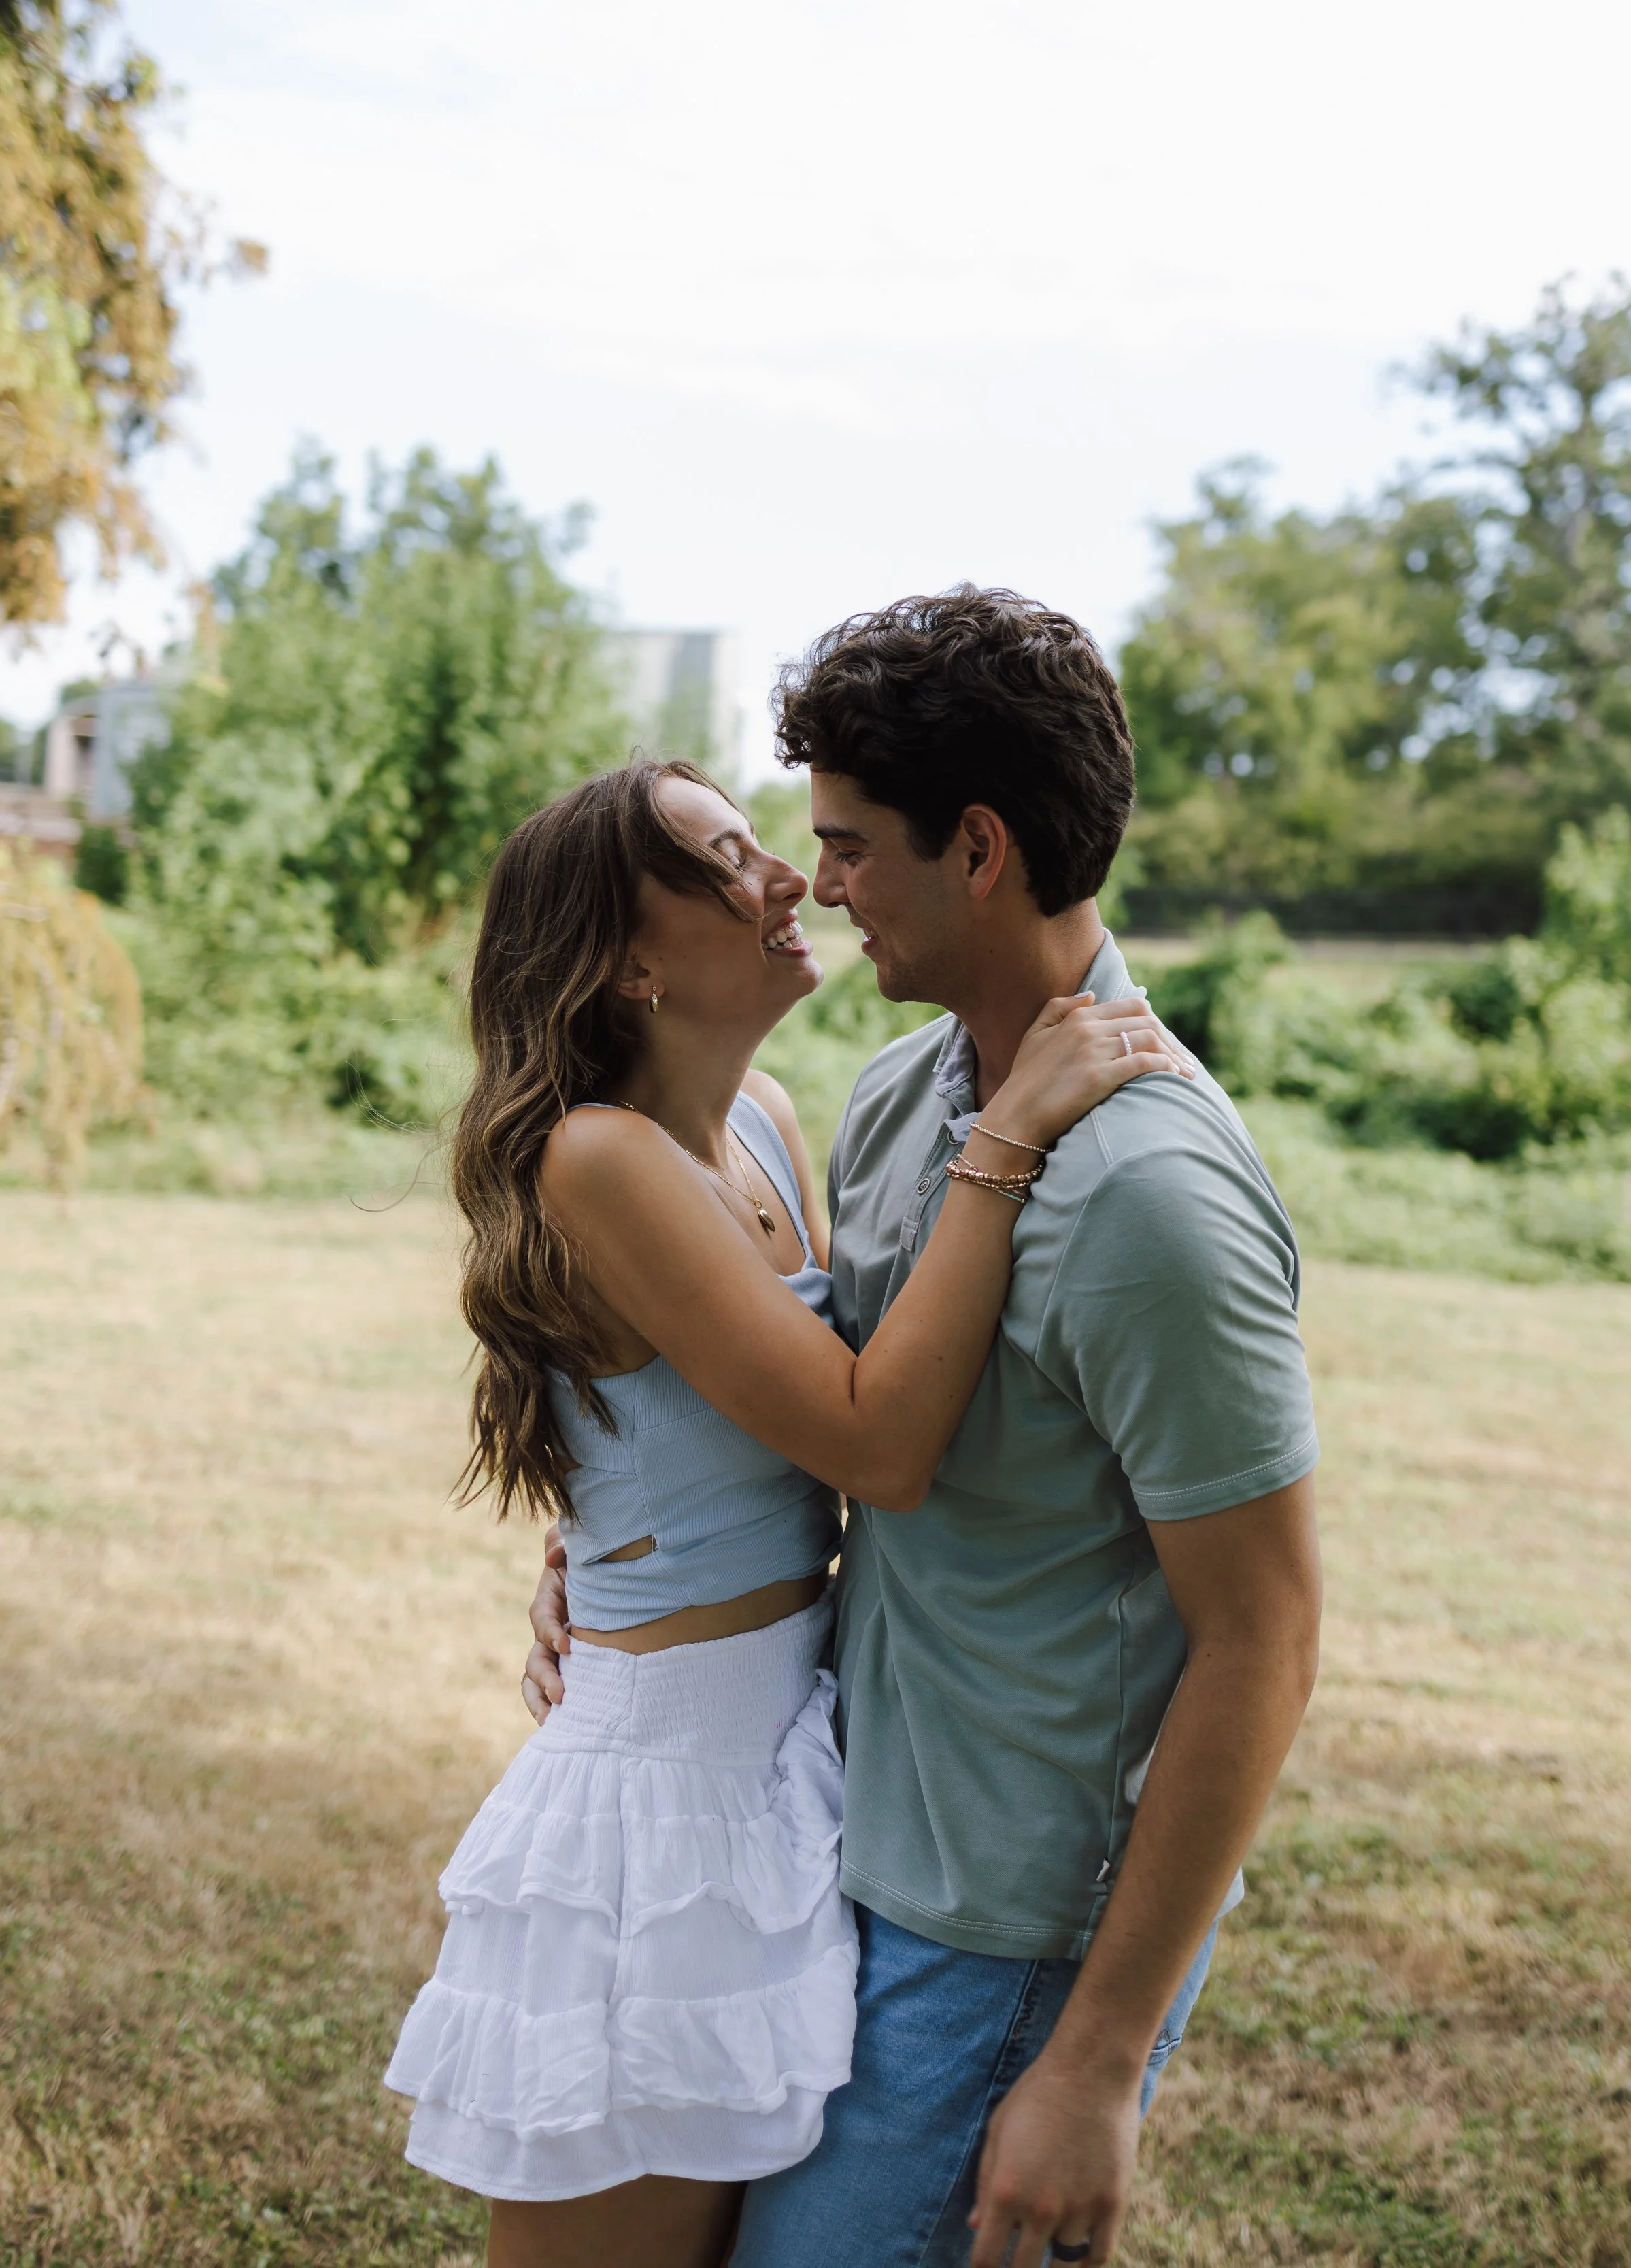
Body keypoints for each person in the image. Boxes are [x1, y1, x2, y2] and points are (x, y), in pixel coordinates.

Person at [523, 588, 1324, 2268]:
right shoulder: (900, 1099)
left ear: (975, 850)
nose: (811, 885)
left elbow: (1262, 1628)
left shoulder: (1148, 1190)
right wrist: (619, 1550)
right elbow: (819, 1421)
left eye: (844, 846)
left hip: (1008, 1925)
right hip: (833, 1840)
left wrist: (1093, 2059)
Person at [384, 752, 1187, 2268]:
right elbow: (871, 1438)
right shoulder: (596, 1157)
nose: (785, 877)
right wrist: (1004, 1137)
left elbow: (778, 1428)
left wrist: (583, 1550)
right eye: (723, 857)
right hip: (659, 1800)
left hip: (786, 1765)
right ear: (627, 959)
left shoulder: (757, 1114)